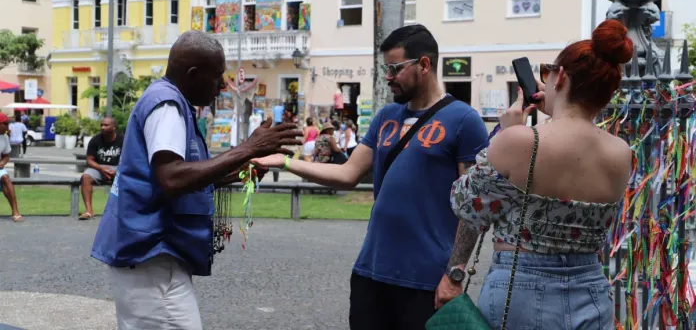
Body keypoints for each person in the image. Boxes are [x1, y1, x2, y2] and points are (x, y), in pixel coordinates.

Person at [254, 25, 489, 329]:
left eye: (395, 68)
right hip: (370, 273)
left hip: (426, 280)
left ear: (424, 65)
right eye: (385, 69)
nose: (388, 77)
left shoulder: (464, 121)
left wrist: (454, 274)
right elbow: (347, 173)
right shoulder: (386, 117)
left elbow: (473, 207)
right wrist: (285, 163)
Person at [90, 31, 303, 330]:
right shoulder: (167, 106)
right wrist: (249, 148)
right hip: (151, 258)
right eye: (217, 77)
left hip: (151, 257)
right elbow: (172, 178)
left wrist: (238, 171)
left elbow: (180, 178)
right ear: (193, 74)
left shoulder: (170, 101)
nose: (221, 86)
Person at [450, 19, 633, 328]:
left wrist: (506, 134)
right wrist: (559, 109)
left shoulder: (522, 140)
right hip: (591, 289)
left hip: (521, 286)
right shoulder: (621, 151)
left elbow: (466, 204)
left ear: (560, 76)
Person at [78, 117, 123, 220]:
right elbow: (89, 160)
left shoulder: (123, 139)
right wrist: (102, 169)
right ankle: (89, 211)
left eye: (106, 125)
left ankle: (122, 211)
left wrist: (117, 171)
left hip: (118, 167)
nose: (102, 127)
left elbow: (129, 158)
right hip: (99, 167)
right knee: (86, 177)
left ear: (114, 127)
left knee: (128, 178)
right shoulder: (95, 140)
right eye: (101, 125)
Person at [0, 113, 23, 222]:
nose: (8, 127)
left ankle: (15, 211)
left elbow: (6, 156)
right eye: (5, 124)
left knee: (5, 177)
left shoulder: (4, 137)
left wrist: (2, 163)